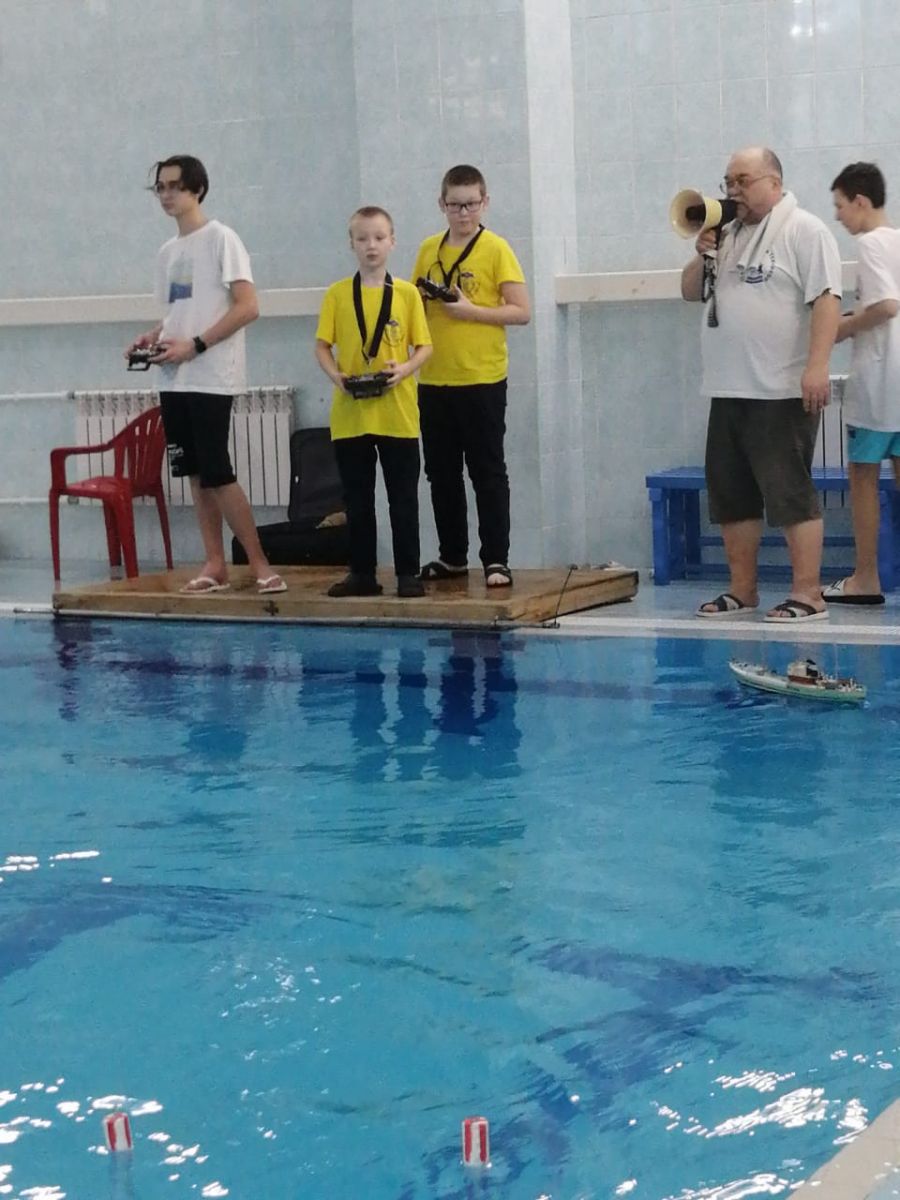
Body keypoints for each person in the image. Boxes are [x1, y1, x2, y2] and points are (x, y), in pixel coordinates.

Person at [680, 146, 842, 622]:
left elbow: (827, 299)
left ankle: (808, 593)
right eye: (728, 182)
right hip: (728, 388)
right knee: (731, 494)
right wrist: (701, 254)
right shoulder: (727, 235)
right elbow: (690, 292)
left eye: (743, 181)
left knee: (789, 492)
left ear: (774, 182)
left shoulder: (805, 230)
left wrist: (817, 365)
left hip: (780, 388)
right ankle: (742, 589)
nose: (733, 191)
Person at [126, 154, 285, 595]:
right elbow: (178, 313)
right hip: (174, 378)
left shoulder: (221, 239)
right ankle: (215, 563)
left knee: (217, 469)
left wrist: (196, 345)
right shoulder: (168, 252)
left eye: (175, 186)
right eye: (160, 187)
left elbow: (248, 307)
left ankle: (259, 564)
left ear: (197, 189)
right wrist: (153, 337)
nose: (166, 195)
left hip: (211, 375)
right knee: (195, 472)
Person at [410, 165, 530, 588]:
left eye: (471, 205)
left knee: (487, 471)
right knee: (441, 473)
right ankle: (452, 556)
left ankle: (496, 558)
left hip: (481, 379)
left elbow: (521, 311)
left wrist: (470, 311)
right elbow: (412, 307)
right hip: (434, 380)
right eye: (455, 205)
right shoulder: (429, 249)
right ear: (441, 205)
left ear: (485, 203)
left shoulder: (496, 249)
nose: (463, 213)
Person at [314, 206, 432, 598]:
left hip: (398, 413)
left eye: (379, 238)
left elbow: (425, 345)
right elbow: (322, 345)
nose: (371, 246)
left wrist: (406, 369)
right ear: (351, 243)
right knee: (357, 499)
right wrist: (336, 376)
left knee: (403, 498)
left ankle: (408, 573)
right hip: (351, 414)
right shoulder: (337, 294)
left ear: (392, 242)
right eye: (362, 238)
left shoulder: (407, 293)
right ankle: (362, 573)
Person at [824, 162, 900, 606]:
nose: (837, 216)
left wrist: (843, 327)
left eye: (840, 206)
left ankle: (866, 578)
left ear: (860, 201)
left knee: (863, 478)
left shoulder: (870, 243)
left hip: (878, 384)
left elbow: (887, 306)